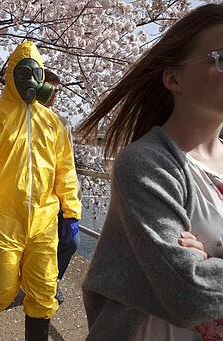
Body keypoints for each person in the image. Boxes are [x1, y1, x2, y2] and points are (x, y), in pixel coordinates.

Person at [77, 4, 223, 340]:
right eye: (221, 58)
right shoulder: (146, 163)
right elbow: (190, 295)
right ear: (173, 78)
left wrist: (209, 259)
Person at [0, 41, 82, 341]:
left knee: (43, 290)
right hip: (2, 223)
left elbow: (65, 170)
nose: (29, 80)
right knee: (1, 287)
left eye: (35, 73)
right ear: (11, 74)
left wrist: (71, 210)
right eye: (23, 72)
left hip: (44, 223)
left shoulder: (52, 122)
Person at [43, 69, 80, 305]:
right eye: (52, 89)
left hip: (58, 196)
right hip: (29, 200)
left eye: (59, 90)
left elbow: (68, 163)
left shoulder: (62, 122)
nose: (56, 95)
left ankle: (52, 281)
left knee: (70, 242)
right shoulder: (14, 118)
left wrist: (72, 205)